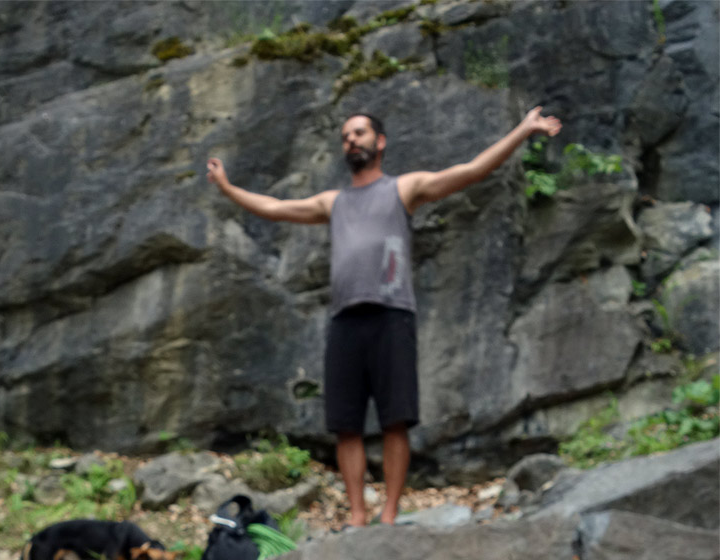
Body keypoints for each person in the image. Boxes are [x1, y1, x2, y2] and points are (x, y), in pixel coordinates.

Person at [207, 105, 562, 525]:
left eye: (358, 133)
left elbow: (471, 170)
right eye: (345, 137)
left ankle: (390, 512)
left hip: (392, 315)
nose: (351, 141)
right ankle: (358, 513)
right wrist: (228, 188)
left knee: (396, 420)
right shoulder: (331, 202)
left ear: (381, 141)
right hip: (345, 321)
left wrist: (523, 130)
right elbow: (276, 207)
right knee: (346, 425)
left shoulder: (404, 188)